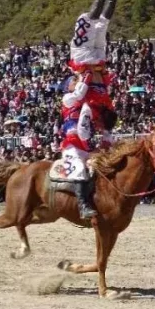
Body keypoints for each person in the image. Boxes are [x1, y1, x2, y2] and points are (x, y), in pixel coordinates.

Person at [68, 0, 121, 146]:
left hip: (97, 63)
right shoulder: (90, 104)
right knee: (89, 22)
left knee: (100, 24)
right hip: (84, 61)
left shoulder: (104, 103)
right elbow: (84, 125)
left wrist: (106, 134)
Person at [58, 73, 98, 219]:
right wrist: (86, 76)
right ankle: (83, 207)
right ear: (67, 86)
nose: (77, 81)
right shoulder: (67, 98)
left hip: (86, 145)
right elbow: (79, 93)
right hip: (72, 145)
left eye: (77, 79)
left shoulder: (86, 103)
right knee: (80, 169)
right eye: (73, 80)